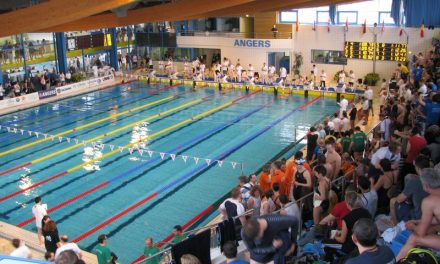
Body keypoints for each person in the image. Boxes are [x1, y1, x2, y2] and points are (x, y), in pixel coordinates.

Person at [397, 168, 440, 261]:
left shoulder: (429, 201)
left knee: (414, 238)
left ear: (426, 186)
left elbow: (421, 233)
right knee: (433, 228)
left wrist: (412, 226)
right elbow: (437, 219)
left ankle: (396, 261)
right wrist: (417, 221)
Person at [389, 155, 429, 224]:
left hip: (418, 216)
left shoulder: (415, 181)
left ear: (418, 168)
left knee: (392, 201)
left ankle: (395, 224)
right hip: (430, 213)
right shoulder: (433, 179)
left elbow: (399, 199)